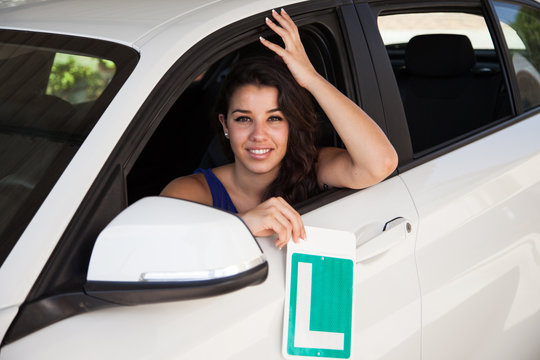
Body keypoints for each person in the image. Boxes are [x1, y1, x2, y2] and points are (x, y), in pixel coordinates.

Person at [161, 8, 398, 249]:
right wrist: (240, 225)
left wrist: (311, 78)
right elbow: (152, 250)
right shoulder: (189, 192)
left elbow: (381, 163)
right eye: (244, 119)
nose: (258, 135)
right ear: (225, 125)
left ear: (291, 125)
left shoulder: (313, 168)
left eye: (274, 119)